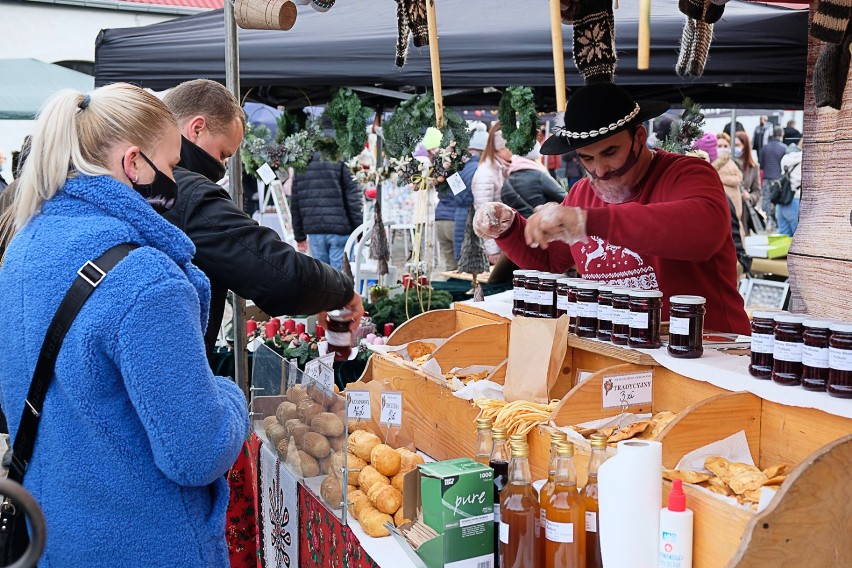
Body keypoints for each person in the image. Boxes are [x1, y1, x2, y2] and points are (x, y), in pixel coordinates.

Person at [0, 84, 248, 566]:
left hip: (50, 533)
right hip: (143, 541)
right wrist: (229, 395)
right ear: (134, 163)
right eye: (171, 165)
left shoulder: (25, 246)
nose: (175, 178)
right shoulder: (147, 278)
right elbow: (197, 451)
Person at [472, 82, 750, 334]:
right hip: (625, 348)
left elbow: (703, 232)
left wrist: (588, 220)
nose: (600, 170)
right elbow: (552, 260)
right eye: (587, 158)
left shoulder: (688, 173)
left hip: (711, 349)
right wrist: (510, 228)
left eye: (610, 152)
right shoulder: (582, 192)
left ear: (639, 138)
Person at [161, 79, 363, 357]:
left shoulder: (134, 180)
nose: (221, 167)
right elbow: (277, 272)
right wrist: (343, 291)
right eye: (223, 154)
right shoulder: (186, 193)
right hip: (173, 364)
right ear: (197, 128)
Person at [290, 150, 363, 270]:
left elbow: (296, 200)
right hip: (340, 229)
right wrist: (359, 230)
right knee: (341, 277)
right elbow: (353, 198)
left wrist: (299, 235)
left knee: (322, 277)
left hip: (314, 229)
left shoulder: (304, 156)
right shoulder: (341, 154)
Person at [472, 121, 511, 263]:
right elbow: (484, 213)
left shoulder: (504, 167)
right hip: (497, 244)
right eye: (511, 147)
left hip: (505, 239)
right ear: (500, 148)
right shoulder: (486, 173)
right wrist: (492, 249)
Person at [500, 143, 566, 218]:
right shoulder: (539, 176)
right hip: (540, 225)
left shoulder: (506, 182)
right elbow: (565, 197)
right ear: (536, 157)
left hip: (518, 227)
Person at [714, 132, 745, 237]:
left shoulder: (732, 162)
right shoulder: (711, 163)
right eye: (719, 146)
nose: (722, 149)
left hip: (735, 210)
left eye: (725, 146)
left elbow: (739, 177)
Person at [759, 126, 788, 231]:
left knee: (765, 200)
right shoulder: (784, 148)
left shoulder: (765, 147)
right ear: (782, 134)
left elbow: (761, 164)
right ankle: (774, 223)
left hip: (767, 177)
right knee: (775, 201)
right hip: (778, 179)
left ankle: (765, 222)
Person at [734, 130, 762, 234]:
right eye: (733, 145)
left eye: (737, 145)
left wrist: (749, 196)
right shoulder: (729, 164)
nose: (734, 148)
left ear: (745, 146)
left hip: (744, 213)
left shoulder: (754, 167)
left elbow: (757, 191)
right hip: (730, 209)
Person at [777, 142, 803, 237]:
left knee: (783, 237)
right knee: (798, 238)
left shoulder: (784, 159)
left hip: (782, 201)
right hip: (795, 199)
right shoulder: (804, 160)